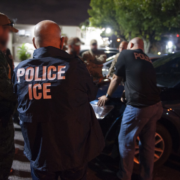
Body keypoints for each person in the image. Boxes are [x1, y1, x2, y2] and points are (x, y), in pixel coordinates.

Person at [13, 20, 105, 180]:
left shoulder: (20, 70)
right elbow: (92, 94)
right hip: (74, 152)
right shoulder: (75, 67)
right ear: (62, 42)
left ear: (34, 42)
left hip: (40, 154)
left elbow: (18, 103)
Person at [98, 37, 163, 180]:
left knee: (126, 142)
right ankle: (147, 176)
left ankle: (124, 176)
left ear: (131, 45)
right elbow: (140, 80)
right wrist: (126, 92)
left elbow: (116, 78)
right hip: (156, 105)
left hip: (139, 107)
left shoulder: (125, 54)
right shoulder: (147, 59)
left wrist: (107, 96)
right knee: (147, 144)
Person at [0, 13, 18, 180]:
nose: (8, 35)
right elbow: (4, 87)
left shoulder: (4, 54)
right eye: (7, 30)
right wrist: (24, 93)